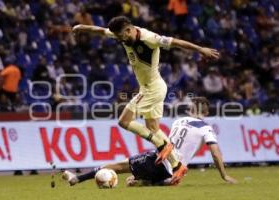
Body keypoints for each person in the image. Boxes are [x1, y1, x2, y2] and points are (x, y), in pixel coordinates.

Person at [72, 16, 220, 181]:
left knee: (124, 121)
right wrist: (81, 27)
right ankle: (177, 166)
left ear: (129, 30)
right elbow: (99, 31)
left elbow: (176, 42)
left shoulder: (149, 38)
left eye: (122, 36)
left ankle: (163, 145)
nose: (120, 39)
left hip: (152, 88)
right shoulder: (121, 33)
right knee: (153, 128)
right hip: (150, 87)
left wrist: (200, 49)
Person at [62, 97, 236, 186]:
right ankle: (145, 181)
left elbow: (161, 138)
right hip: (173, 171)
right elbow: (215, 153)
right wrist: (224, 175)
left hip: (159, 161)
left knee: (119, 166)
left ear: (191, 109)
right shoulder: (206, 128)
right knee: (139, 173)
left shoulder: (178, 121)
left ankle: (77, 179)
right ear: (206, 113)